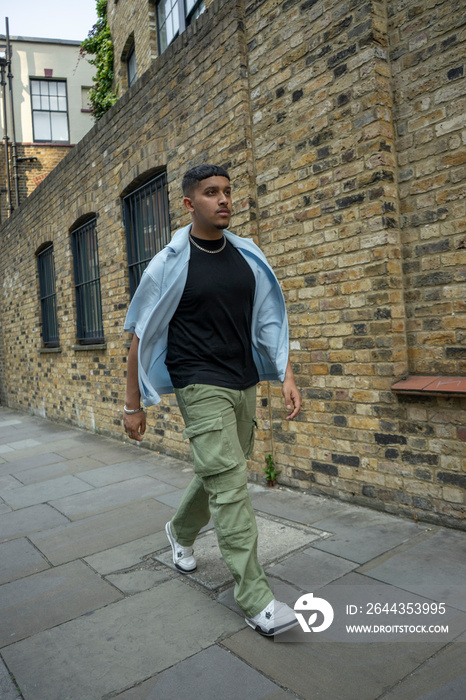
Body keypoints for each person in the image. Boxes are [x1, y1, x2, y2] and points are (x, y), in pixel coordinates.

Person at [123, 164, 302, 636]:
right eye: (210, 193)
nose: (223, 200)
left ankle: (180, 532)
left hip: (243, 379)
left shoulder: (246, 255)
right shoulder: (168, 262)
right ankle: (255, 597)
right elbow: (138, 337)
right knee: (229, 485)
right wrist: (132, 405)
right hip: (197, 382)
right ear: (189, 204)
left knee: (222, 467)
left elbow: (269, 321)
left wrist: (286, 374)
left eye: (226, 191)